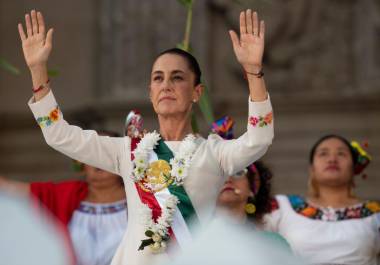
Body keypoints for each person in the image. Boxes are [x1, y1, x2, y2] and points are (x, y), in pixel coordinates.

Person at [18, 9, 274, 265]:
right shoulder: (128, 151)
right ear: (151, 93)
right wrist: (38, 69)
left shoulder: (214, 153)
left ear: (197, 92)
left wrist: (253, 71)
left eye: (177, 78)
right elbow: (58, 135)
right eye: (158, 79)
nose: (166, 85)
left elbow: (259, 138)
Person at [0, 130, 127, 265]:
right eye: (91, 153)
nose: (97, 160)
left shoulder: (140, 199)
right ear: (80, 163)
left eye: (106, 153)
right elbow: (9, 189)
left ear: (121, 159)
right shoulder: (62, 195)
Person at [264, 134, 380, 265]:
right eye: (323, 154)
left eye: (341, 154)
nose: (332, 159)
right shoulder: (282, 206)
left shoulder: (375, 213)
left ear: (354, 167)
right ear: (312, 169)